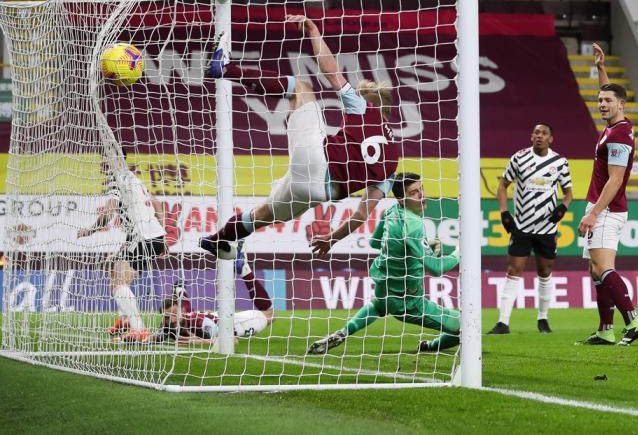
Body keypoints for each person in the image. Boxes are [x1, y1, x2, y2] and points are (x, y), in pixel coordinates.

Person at [199, 15, 398, 259]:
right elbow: (361, 214)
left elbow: (331, 72)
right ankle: (217, 241)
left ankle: (226, 68)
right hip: (317, 193)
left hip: (317, 161)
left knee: (301, 88)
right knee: (262, 215)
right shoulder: (392, 166)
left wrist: (313, 30)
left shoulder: (364, 107)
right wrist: (332, 238)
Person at [307, 173, 461, 355]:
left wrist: (418, 248)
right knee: (465, 323)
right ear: (401, 199)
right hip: (408, 301)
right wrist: (459, 252)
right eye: (414, 193)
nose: (422, 195)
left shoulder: (391, 211)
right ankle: (429, 346)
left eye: (422, 189)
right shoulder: (414, 225)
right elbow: (436, 268)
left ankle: (343, 332)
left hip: (384, 290)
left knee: (377, 306)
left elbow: (375, 242)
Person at [576, 43, 638, 346]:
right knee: (595, 269)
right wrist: (600, 67)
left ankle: (634, 321)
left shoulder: (619, 136)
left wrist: (594, 213)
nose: (602, 104)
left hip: (606, 208)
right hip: (603, 207)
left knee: (604, 268)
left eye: (607, 101)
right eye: (599, 100)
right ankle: (605, 329)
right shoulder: (615, 126)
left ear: (622, 104)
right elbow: (608, 90)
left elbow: (616, 179)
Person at [487, 123, 573, 335]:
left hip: (547, 228)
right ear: (531, 136)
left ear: (551, 139)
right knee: (513, 271)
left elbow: (568, 193)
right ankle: (503, 322)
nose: (539, 136)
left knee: (545, 272)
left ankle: (543, 319)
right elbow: (502, 186)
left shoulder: (560, 162)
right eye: (536, 132)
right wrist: (504, 212)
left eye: (544, 133)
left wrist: (563, 208)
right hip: (522, 226)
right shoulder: (519, 158)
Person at [78, 149, 166, 343]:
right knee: (114, 266)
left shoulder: (116, 179)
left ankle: (138, 330)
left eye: (105, 157)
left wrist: (90, 230)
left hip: (141, 238)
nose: (102, 162)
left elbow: (108, 213)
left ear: (116, 158)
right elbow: (157, 203)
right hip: (152, 237)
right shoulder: (133, 178)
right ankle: (125, 320)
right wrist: (163, 234)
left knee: (119, 282)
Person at [139, 243, 274, 345]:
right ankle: (180, 291)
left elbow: (232, 340)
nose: (172, 320)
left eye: (174, 315)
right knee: (188, 313)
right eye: (167, 317)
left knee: (270, 315)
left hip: (236, 324)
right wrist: (136, 338)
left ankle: (244, 269)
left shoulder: (199, 324)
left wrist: (197, 341)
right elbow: (156, 337)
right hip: (213, 316)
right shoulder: (168, 325)